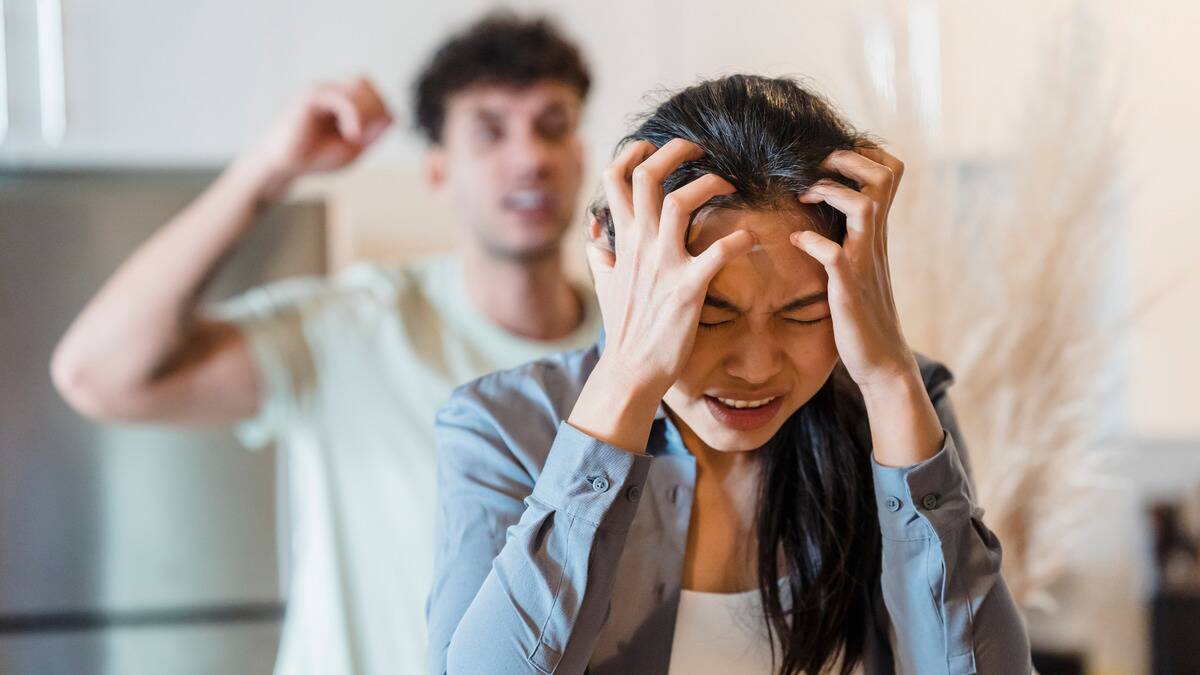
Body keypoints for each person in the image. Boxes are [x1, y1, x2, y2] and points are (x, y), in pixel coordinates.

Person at [50, 13, 600, 675]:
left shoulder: (631, 348)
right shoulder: (356, 329)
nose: (530, 156)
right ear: (437, 170)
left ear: (580, 156)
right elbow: (97, 374)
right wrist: (270, 169)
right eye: (488, 130)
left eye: (553, 125)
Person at [427, 75, 1032, 674]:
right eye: (709, 316)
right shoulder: (502, 427)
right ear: (619, 270)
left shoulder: (900, 407)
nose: (757, 366)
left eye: (805, 315)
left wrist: (890, 379)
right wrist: (628, 377)